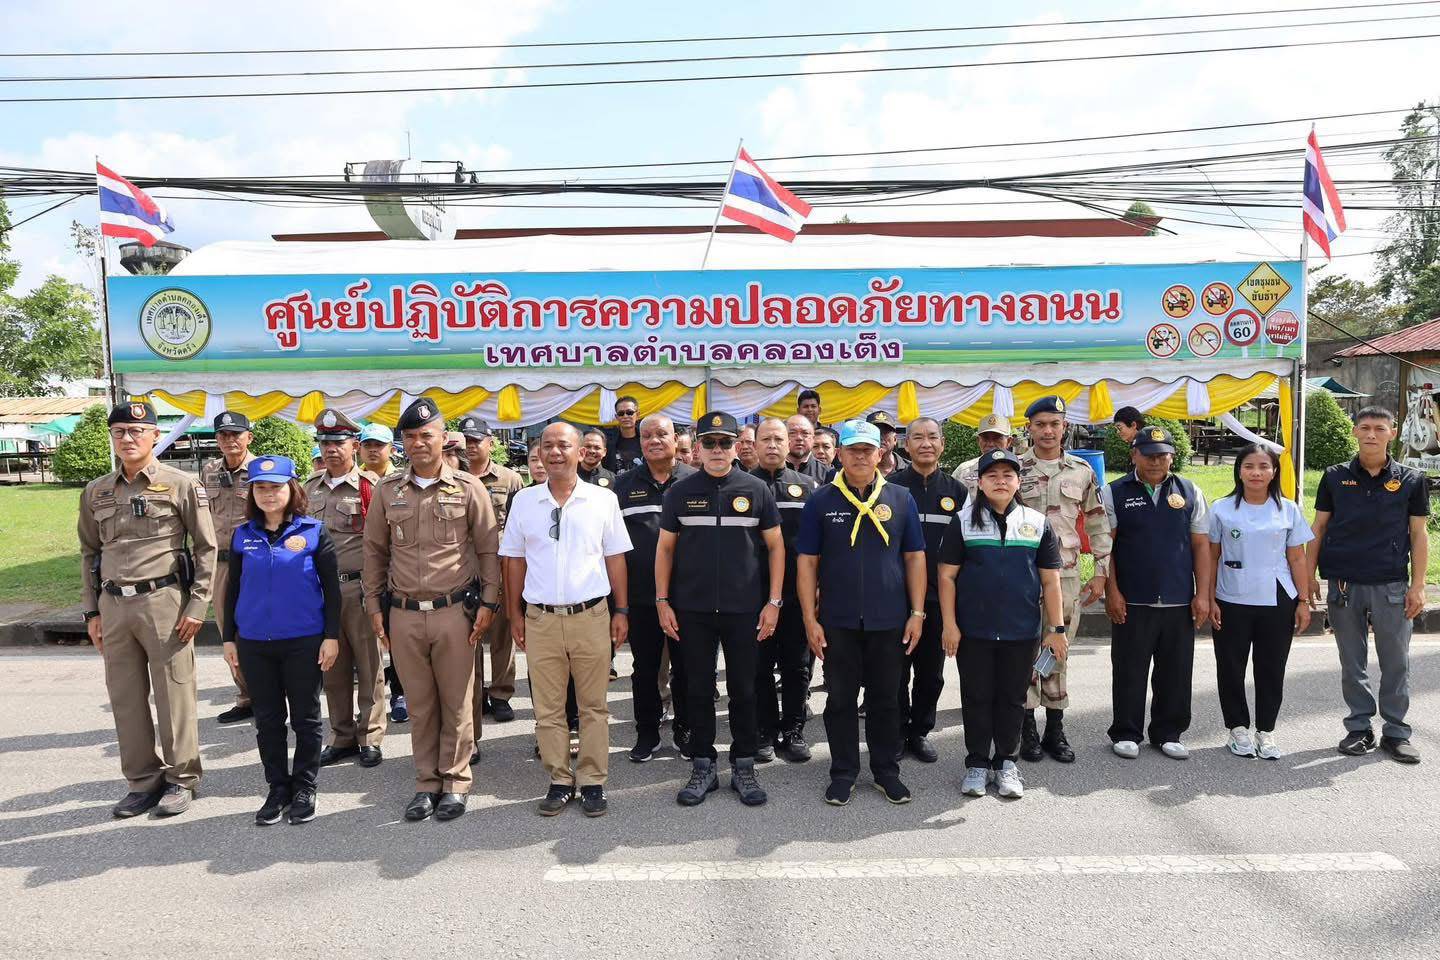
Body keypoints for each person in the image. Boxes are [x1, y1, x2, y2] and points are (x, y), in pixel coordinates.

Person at [363, 399, 500, 823]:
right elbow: (375, 552)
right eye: (410, 437)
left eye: (427, 435)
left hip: (454, 611)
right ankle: (426, 782)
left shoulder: (468, 487)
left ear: (443, 439)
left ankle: (455, 781)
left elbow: (488, 549)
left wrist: (489, 602)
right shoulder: (388, 490)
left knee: (457, 702)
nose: (418, 443)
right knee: (420, 704)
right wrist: (374, 607)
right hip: (403, 613)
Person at [79, 400, 217, 818]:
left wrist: (198, 604)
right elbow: (89, 553)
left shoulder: (182, 484)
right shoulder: (96, 491)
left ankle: (181, 778)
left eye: (137, 431)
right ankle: (142, 781)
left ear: (155, 436)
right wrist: (92, 612)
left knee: (174, 694)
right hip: (113, 604)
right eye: (120, 431)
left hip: (164, 602)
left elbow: (206, 547)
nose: (128, 438)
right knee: (125, 697)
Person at [501, 423, 632, 818]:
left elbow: (615, 557)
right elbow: (514, 560)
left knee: (593, 707)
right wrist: (514, 614)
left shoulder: (602, 500)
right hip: (541, 618)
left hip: (591, 615)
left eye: (563, 445)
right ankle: (559, 779)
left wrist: (622, 610)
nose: (555, 452)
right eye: (548, 446)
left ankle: (592, 780)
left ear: (580, 452)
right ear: (539, 453)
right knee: (548, 708)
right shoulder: (525, 501)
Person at [656, 411, 783, 807]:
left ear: (736, 447)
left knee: (745, 689)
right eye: (709, 442)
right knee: (697, 689)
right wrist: (662, 601)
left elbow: (777, 547)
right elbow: (665, 549)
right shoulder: (680, 492)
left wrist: (774, 602)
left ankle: (743, 764)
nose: (716, 449)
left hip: (745, 610)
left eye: (724, 442)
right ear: (697, 447)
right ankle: (703, 765)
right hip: (691, 610)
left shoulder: (756, 489)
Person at [796, 419, 926, 806]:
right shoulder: (820, 500)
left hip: (890, 619)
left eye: (867, 450)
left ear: (880, 453)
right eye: (852, 449)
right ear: (839, 454)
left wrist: (917, 612)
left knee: (886, 699)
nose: (860, 456)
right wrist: (809, 619)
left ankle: (886, 771)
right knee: (840, 699)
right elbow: (807, 563)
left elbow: (915, 558)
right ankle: (843, 772)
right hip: (838, 619)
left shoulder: (900, 498)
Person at [939, 449, 1065, 800]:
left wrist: (1056, 630)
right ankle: (977, 764)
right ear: (979, 483)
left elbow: (1051, 581)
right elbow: (946, 577)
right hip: (973, 631)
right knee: (976, 697)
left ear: (1017, 482)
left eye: (1008, 475)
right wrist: (949, 625)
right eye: (992, 475)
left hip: (1021, 631)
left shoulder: (1037, 522)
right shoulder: (963, 522)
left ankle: (1007, 762)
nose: (1000, 481)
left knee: (1013, 699)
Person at [224, 456, 342, 825]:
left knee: (306, 719)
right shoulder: (242, 535)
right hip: (255, 642)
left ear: (292, 489)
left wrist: (331, 637)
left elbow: (332, 591)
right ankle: (277, 787)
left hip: (303, 640)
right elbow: (232, 590)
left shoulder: (314, 532)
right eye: (260, 487)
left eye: (276, 486)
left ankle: (305, 786)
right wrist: (228, 638)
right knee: (268, 720)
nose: (268, 494)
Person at [1307, 406, 1427, 764]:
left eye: (1379, 428)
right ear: (1355, 432)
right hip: (1344, 583)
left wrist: (1418, 585)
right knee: (1352, 661)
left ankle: (1396, 732)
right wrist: (1309, 576)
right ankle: (1359, 728)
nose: (1371, 434)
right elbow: (1319, 527)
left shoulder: (1411, 479)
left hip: (1392, 584)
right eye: (1365, 427)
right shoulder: (1335, 476)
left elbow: (1419, 534)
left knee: (1396, 662)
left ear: (1392, 432)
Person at [1102, 426, 1212, 760]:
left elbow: (1201, 546)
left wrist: (1202, 594)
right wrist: (1112, 590)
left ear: (1172, 457)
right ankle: (1126, 732)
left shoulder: (1190, 491)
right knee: (1129, 669)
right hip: (1132, 598)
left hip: (1178, 598)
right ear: (1134, 454)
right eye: (1148, 455)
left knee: (1175, 671)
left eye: (1162, 455)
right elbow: (1106, 548)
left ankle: (1168, 732)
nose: (1155, 461)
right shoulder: (1114, 492)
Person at [1015, 395, 1112, 765]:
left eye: (1054, 424)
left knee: (1057, 650)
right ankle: (1027, 729)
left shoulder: (1081, 471)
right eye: (1040, 424)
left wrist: (1101, 573)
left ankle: (1055, 729)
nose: (1047, 431)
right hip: (1022, 575)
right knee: (1025, 650)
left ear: (1065, 427)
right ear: (1029, 428)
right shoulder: (1015, 467)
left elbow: (1098, 522)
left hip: (1066, 575)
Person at [1206, 444, 1313, 760]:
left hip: (1277, 598)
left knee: (1271, 668)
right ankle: (1237, 729)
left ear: (1274, 471)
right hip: (1231, 597)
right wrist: (1208, 597)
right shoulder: (1221, 509)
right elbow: (1211, 556)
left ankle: (1266, 731)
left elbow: (1297, 558)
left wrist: (1303, 600)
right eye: (1249, 466)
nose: (1256, 472)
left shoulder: (1288, 509)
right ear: (1238, 471)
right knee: (1230, 666)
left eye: (1264, 466)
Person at [305, 409, 386, 771]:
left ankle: (370, 736)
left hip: (359, 588)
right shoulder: (309, 488)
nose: (331, 449)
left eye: (338, 442)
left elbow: (384, 542)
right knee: (331, 668)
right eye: (324, 443)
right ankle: (341, 735)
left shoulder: (371, 486)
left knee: (369, 666)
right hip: (321, 592)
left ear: (354, 445)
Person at [613, 414, 696, 762]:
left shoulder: (696, 481)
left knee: (687, 667)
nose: (654, 440)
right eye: (646, 436)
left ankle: (685, 729)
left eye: (662, 434)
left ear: (676, 440)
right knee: (645, 669)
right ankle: (647, 732)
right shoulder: (622, 486)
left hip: (689, 595)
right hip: (641, 595)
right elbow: (612, 547)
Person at [889, 417, 967, 763]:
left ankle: (919, 731)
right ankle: (896, 731)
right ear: (905, 445)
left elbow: (966, 547)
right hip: (895, 596)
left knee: (931, 674)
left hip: (938, 598)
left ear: (942, 444)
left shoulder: (957, 492)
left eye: (932, 437)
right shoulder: (889, 487)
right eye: (917, 437)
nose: (925, 444)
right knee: (894, 671)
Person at [749, 417, 818, 764]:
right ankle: (764, 730)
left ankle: (793, 730)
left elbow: (819, 544)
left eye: (779, 439)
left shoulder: (809, 487)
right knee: (758, 667)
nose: (773, 445)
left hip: (796, 594)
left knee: (797, 667)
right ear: (754, 445)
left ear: (789, 444)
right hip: (753, 596)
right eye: (766, 439)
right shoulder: (742, 485)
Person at [460, 416, 526, 751]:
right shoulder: (454, 476)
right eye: (467, 441)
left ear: (490, 442)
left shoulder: (510, 478)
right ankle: (474, 696)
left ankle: (500, 694)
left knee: (501, 634)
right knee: (469, 636)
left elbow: (518, 525)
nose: (471, 446)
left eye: (477, 440)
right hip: (461, 568)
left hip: (498, 566)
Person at [200, 410, 257, 725]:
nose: (229, 439)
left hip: (255, 563)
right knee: (229, 632)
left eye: (236, 434)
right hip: (221, 565)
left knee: (261, 629)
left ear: (249, 437)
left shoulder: (262, 469)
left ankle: (272, 695)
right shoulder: (209, 471)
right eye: (223, 435)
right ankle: (247, 697)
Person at [953, 414, 1013, 495]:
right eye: (985, 438)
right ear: (978, 440)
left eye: (997, 438)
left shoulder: (1020, 469)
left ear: (1009, 441)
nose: (991, 444)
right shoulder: (964, 471)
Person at [604, 395, 645, 473]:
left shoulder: (647, 440)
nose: (625, 416)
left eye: (630, 412)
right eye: (621, 413)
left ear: (637, 414)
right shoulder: (607, 443)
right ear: (616, 417)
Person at [785, 414, 829, 483]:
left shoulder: (827, 474)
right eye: (792, 433)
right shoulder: (771, 469)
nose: (799, 438)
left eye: (805, 433)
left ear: (813, 438)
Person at [866, 412, 906, 476]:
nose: (880, 437)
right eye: (874, 432)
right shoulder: (855, 469)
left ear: (895, 439)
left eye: (885, 432)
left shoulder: (910, 469)